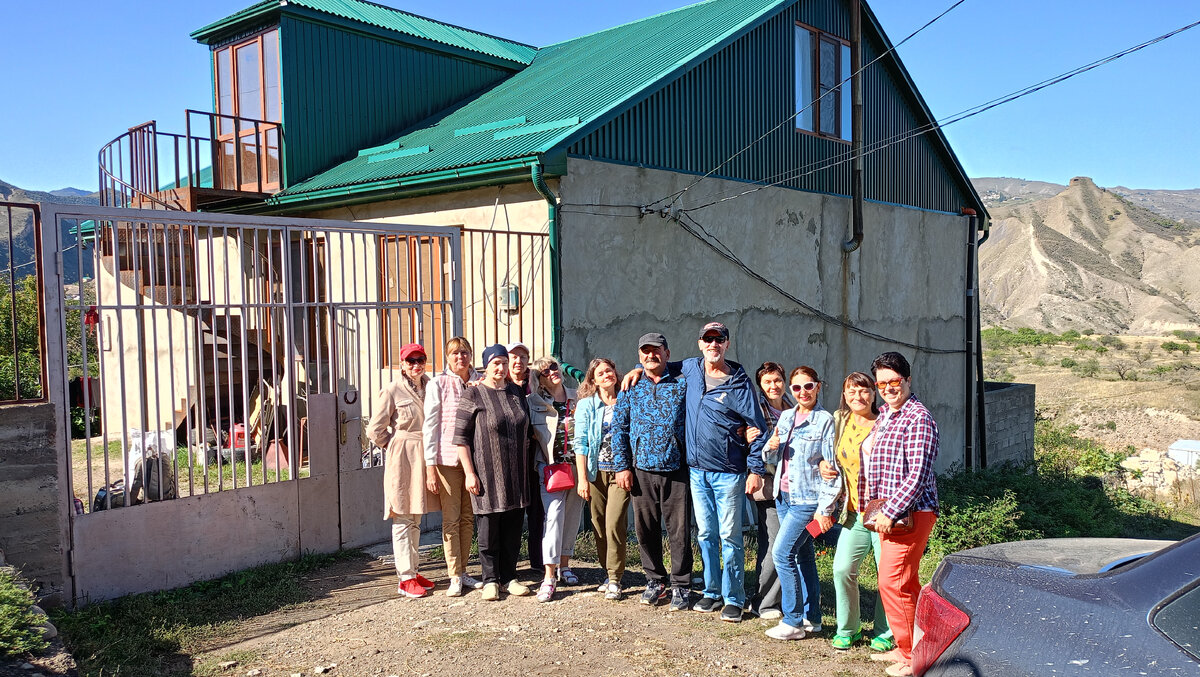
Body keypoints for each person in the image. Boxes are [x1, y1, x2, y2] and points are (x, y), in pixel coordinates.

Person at [627, 322, 769, 622]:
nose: (713, 344)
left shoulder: (740, 383)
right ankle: (712, 591)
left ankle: (733, 597)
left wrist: (755, 469)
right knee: (705, 534)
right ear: (700, 344)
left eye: (719, 340)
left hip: (729, 472)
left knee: (730, 536)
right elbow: (657, 363)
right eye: (708, 339)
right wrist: (635, 370)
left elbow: (758, 428)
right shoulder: (689, 369)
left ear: (727, 344)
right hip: (696, 471)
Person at [862, 352, 940, 677]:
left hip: (911, 512)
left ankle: (916, 657)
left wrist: (891, 511)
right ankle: (910, 646)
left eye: (895, 381)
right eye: (882, 383)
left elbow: (918, 474)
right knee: (902, 583)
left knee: (894, 583)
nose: (888, 388)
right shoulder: (886, 416)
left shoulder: (917, 418)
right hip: (889, 513)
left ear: (907, 380)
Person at [610, 333, 692, 611]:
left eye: (656, 351)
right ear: (639, 355)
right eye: (645, 352)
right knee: (645, 530)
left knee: (679, 531)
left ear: (667, 353)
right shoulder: (630, 387)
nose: (650, 356)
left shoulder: (683, 382)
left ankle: (681, 584)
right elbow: (619, 428)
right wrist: (622, 466)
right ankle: (655, 580)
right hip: (641, 468)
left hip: (676, 468)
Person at [762, 366, 840, 640]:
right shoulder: (785, 416)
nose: (802, 392)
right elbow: (772, 461)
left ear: (818, 386)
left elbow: (833, 468)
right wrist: (769, 448)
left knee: (782, 554)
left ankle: (792, 620)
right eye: (796, 388)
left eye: (808, 386)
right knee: (803, 556)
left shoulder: (825, 420)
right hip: (783, 497)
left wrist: (825, 509)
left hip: (807, 501)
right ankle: (813, 618)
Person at [454, 344, 538, 601]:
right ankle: (490, 579)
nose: (501, 368)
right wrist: (470, 473)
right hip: (487, 473)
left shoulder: (516, 392)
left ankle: (509, 577)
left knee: (513, 526)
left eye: (504, 362)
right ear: (485, 367)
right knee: (489, 529)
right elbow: (460, 438)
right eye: (495, 364)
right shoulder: (473, 395)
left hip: (517, 473)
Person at [822, 372, 894, 651]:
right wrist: (823, 466)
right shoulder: (840, 420)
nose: (857, 397)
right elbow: (826, 452)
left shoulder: (886, 422)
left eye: (863, 391)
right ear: (844, 394)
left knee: (886, 575)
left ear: (873, 393)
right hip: (854, 513)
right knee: (842, 569)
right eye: (851, 391)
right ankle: (848, 629)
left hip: (885, 514)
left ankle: (885, 633)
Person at [367, 342, 438, 599]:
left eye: (421, 359)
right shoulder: (392, 390)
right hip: (403, 455)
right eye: (411, 361)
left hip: (426, 452)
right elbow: (375, 430)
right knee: (402, 515)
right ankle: (404, 577)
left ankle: (414, 570)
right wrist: (395, 445)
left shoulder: (431, 385)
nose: (416, 365)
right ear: (402, 364)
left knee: (416, 515)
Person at [422, 336, 484, 597]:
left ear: (471, 355)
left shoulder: (481, 381)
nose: (460, 358)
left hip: (477, 458)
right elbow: (431, 425)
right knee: (451, 519)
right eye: (455, 353)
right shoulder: (439, 383)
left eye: (465, 353)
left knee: (469, 518)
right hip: (448, 459)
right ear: (447, 358)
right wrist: (430, 466)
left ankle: (465, 570)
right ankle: (454, 574)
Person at [573, 357, 630, 600]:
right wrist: (582, 479)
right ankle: (607, 572)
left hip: (621, 473)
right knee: (598, 524)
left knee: (614, 523)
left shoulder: (627, 400)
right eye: (601, 373)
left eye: (610, 370)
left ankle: (615, 577)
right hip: (596, 473)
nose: (607, 375)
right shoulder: (587, 406)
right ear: (593, 381)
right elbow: (581, 443)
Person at [528, 356, 584, 602]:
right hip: (551, 468)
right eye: (545, 371)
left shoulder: (579, 396)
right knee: (553, 518)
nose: (552, 372)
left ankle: (565, 564)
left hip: (578, 466)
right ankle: (549, 576)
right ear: (539, 380)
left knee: (573, 516)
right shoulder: (533, 402)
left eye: (554, 367)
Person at [749, 361, 794, 620]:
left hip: (793, 487)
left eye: (777, 380)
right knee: (773, 544)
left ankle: (781, 600)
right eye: (767, 382)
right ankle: (763, 602)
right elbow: (751, 441)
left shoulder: (793, 406)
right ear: (761, 385)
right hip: (768, 485)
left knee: (789, 545)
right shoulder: (756, 409)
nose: (773, 386)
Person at [506, 341, 544, 572]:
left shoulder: (537, 382)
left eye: (522, 357)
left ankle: (538, 562)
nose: (518, 361)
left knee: (538, 511)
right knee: (513, 511)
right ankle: (510, 564)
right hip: (511, 457)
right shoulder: (500, 384)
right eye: (513, 357)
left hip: (535, 456)